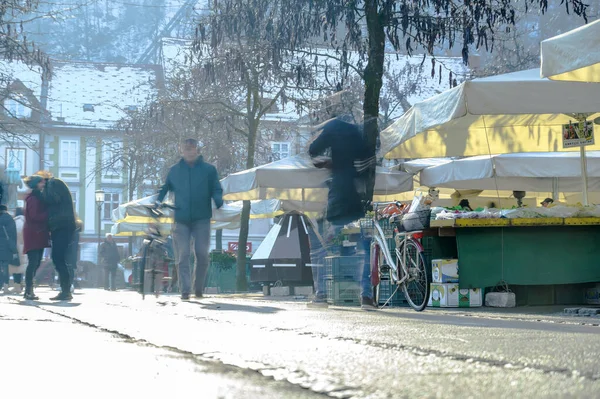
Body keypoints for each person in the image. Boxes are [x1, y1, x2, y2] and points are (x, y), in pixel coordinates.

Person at [308, 112, 377, 310]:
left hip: (338, 195)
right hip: (359, 197)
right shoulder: (357, 132)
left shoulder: (333, 128)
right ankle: (366, 296)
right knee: (363, 247)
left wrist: (330, 163)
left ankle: (321, 294)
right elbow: (368, 160)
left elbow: (313, 150)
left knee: (325, 248)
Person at [157, 138, 223, 300]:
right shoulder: (175, 170)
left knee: (201, 253)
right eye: (186, 149)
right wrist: (158, 201)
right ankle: (185, 290)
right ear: (181, 151)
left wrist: (218, 198)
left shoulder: (209, 170)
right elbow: (165, 187)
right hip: (181, 219)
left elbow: (216, 187)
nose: (189, 151)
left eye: (192, 149)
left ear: (197, 150)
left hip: (202, 219)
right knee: (183, 255)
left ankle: (198, 287)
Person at [39, 171, 76, 301]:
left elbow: (53, 199)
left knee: (58, 258)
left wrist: (41, 194)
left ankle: (66, 291)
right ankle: (65, 290)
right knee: (60, 258)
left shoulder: (52, 184)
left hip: (62, 226)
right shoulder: (56, 183)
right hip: (63, 225)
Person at [23, 175, 50, 300]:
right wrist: (48, 214)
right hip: (34, 233)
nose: (43, 184)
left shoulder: (36, 196)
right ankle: (28, 290)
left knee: (36, 262)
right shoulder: (34, 198)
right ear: (35, 184)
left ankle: (29, 289)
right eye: (41, 182)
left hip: (37, 233)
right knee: (33, 262)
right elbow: (34, 216)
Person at [0, 205, 17, 295]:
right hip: (6, 247)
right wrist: (14, 249)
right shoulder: (10, 220)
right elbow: (13, 236)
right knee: (5, 267)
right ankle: (6, 286)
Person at [10, 207, 27, 294]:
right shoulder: (26, 222)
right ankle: (23, 285)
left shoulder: (14, 221)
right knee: (24, 267)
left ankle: (17, 285)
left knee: (15, 267)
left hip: (15, 248)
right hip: (25, 247)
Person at [67, 218, 82, 292]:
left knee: (69, 268)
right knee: (70, 268)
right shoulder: (76, 233)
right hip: (72, 254)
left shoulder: (74, 233)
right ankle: (70, 284)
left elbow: (73, 245)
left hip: (70, 253)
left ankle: (70, 284)